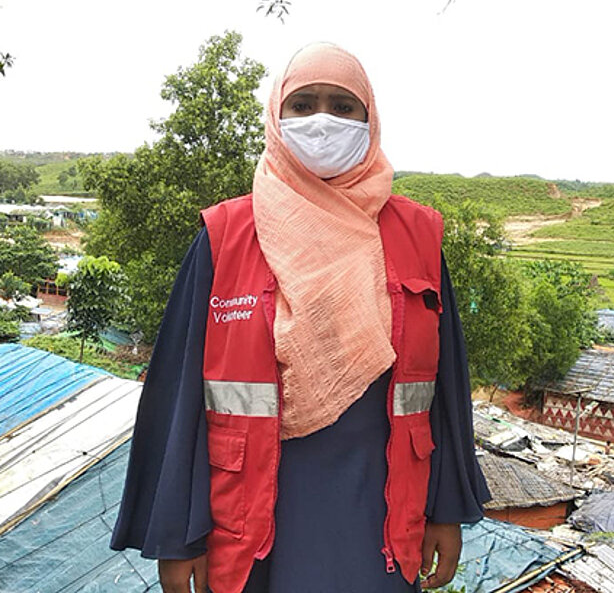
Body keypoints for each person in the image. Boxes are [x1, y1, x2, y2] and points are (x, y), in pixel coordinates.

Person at [110, 43, 490, 593]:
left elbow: (444, 389)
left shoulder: (418, 237)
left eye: (343, 106)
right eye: (304, 103)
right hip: (250, 519)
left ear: (370, 118)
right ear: (276, 116)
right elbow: (179, 395)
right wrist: (177, 535)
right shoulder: (226, 236)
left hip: (380, 510)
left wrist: (446, 510)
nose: (322, 122)